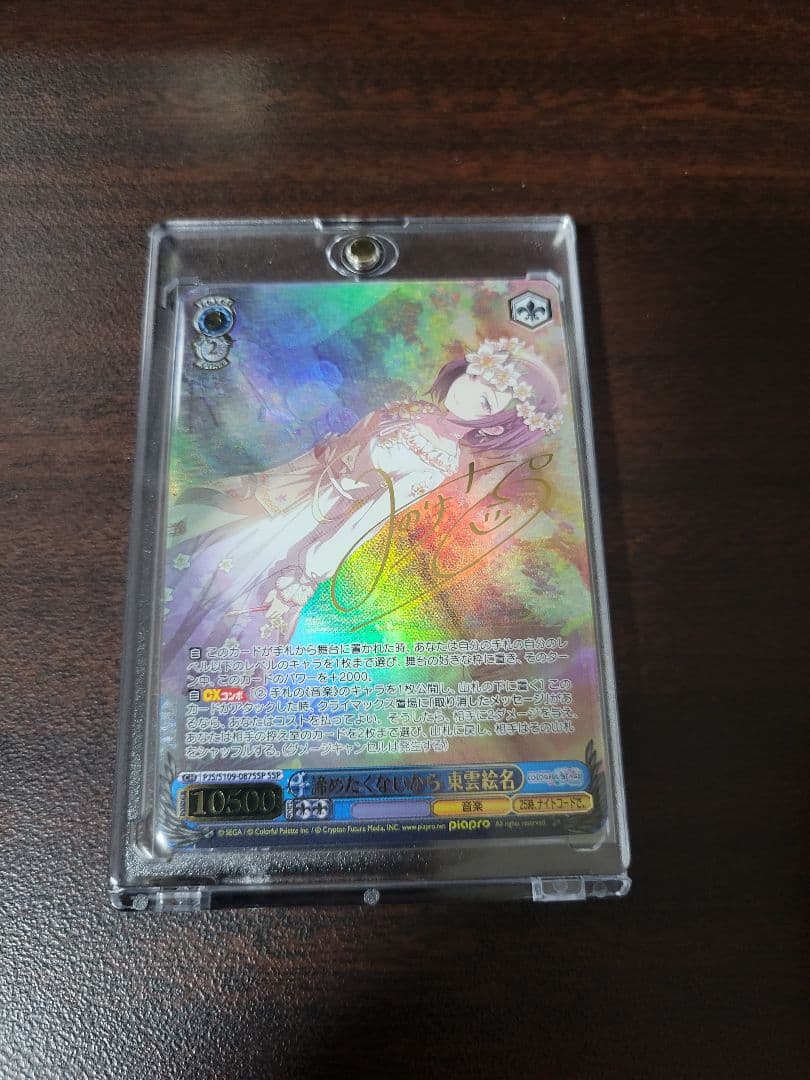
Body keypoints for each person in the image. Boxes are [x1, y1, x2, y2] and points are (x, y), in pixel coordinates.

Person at [161, 338, 563, 672]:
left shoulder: (436, 459)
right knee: (204, 548)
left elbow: (371, 519)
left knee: (231, 577)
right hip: (292, 490)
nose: (467, 390)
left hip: (309, 525)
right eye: (474, 375)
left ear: (494, 427)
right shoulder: (416, 412)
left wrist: (312, 570)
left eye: (486, 401)